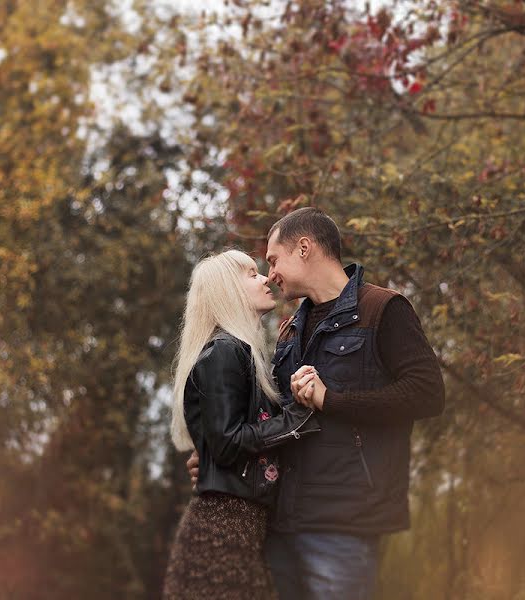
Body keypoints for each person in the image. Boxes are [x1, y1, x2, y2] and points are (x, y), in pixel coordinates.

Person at [188, 208, 446, 599]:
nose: (270, 273)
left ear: (304, 248)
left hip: (343, 521)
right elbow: (278, 418)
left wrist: (333, 400)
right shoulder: (290, 329)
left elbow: (427, 393)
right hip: (281, 521)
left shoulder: (383, 309)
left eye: (274, 260)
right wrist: (216, 454)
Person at [163, 249, 321, 600]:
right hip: (222, 533)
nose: (266, 278)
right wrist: (298, 416)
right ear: (227, 292)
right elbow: (227, 442)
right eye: (251, 274)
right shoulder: (224, 351)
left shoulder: (243, 353)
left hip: (239, 529)